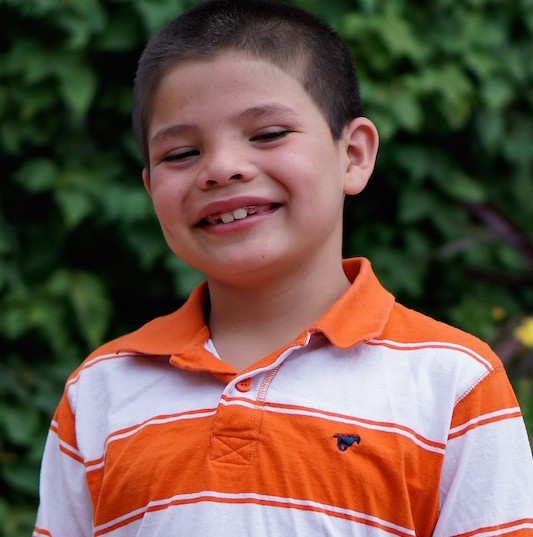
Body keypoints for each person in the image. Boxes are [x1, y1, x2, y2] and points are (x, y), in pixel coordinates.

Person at [33, 1, 533, 536]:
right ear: (151, 187)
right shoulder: (100, 389)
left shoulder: (453, 382)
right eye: (180, 154)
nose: (221, 168)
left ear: (353, 155)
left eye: (268, 134)